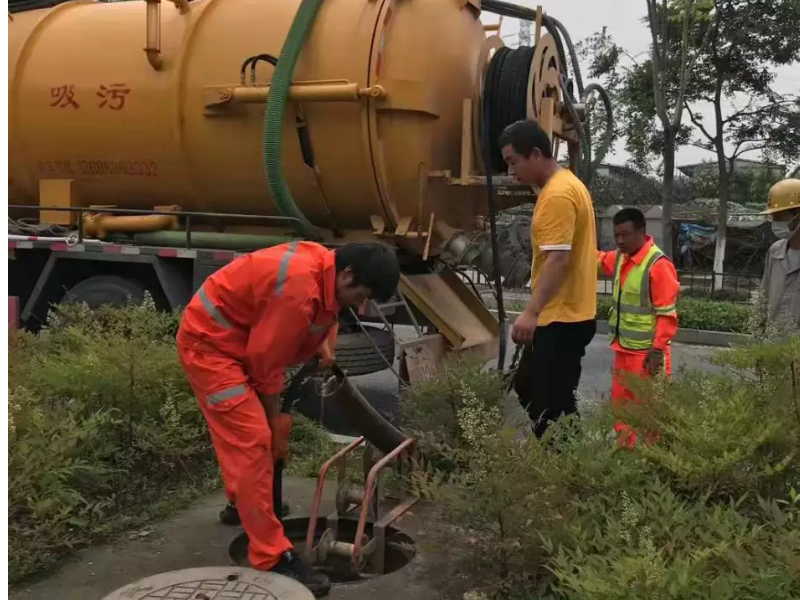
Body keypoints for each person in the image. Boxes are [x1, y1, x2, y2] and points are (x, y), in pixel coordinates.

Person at [176, 241, 400, 597]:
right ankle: (271, 555)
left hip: (243, 341)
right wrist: (274, 426)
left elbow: (326, 314)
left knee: (248, 440)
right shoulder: (297, 289)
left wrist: (325, 345)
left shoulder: (325, 270)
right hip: (211, 348)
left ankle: (243, 504)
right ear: (347, 273)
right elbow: (268, 368)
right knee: (252, 440)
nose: (359, 304)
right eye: (360, 293)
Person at [500, 120, 598, 437]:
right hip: (566, 315)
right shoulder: (567, 185)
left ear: (537, 154)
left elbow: (558, 259)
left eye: (514, 162)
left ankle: (568, 470)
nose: (511, 172)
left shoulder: (557, 195)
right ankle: (564, 460)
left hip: (562, 319)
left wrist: (531, 312)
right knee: (531, 388)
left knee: (551, 406)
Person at [597, 208, 679, 416]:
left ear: (642, 231)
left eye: (625, 234)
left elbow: (666, 315)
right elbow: (596, 260)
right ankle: (624, 448)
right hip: (623, 350)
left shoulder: (658, 265)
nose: (620, 240)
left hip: (646, 356)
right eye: (617, 235)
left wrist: (657, 351)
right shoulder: (619, 258)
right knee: (622, 411)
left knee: (647, 416)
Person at [759, 178, 800, 332]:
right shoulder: (775, 251)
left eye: (779, 215)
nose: (774, 221)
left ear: (798, 215)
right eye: (773, 216)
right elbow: (764, 294)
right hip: (773, 341)